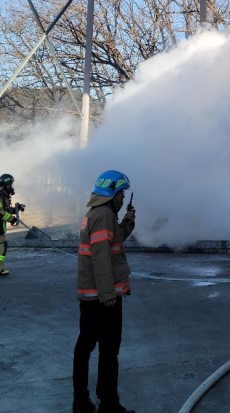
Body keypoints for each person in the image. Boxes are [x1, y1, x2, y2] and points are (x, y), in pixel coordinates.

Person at [72, 170, 136, 413]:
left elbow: (111, 243)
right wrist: (108, 294)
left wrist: (127, 223)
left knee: (85, 347)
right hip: (102, 298)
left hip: (90, 296)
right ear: (112, 193)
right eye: (121, 193)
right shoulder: (104, 216)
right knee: (109, 352)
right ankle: (108, 405)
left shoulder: (98, 214)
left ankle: (81, 402)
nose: (122, 198)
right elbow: (101, 259)